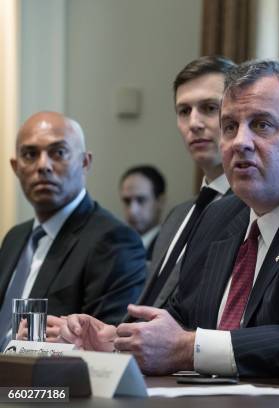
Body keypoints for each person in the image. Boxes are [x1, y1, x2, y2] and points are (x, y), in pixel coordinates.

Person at [64, 60, 279, 378]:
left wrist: (192, 349)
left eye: (261, 125)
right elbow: (178, 322)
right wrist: (119, 342)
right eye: (230, 127)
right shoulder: (218, 215)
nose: (240, 142)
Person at [56, 57, 236, 344]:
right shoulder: (179, 216)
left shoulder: (253, 210)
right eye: (183, 111)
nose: (194, 123)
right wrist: (106, 335)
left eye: (209, 108)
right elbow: (152, 310)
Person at [0, 111, 146, 347]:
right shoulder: (15, 238)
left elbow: (109, 345)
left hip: (49, 382)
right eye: (30, 154)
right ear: (16, 167)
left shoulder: (114, 241)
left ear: (85, 162)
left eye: (58, 152)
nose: (43, 165)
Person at [119, 165, 166, 259]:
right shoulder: (114, 246)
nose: (132, 211)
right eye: (127, 201)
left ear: (160, 201)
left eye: (141, 200)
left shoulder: (169, 248)